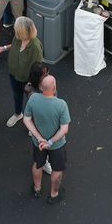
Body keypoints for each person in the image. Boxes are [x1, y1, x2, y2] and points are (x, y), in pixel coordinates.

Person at [24, 72, 72, 201]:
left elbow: (27, 119)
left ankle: (37, 188)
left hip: (38, 143)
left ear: (40, 87)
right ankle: (54, 194)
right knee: (57, 169)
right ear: (54, 88)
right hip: (56, 145)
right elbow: (64, 129)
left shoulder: (33, 99)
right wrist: (49, 142)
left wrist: (39, 138)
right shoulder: (61, 105)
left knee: (38, 164)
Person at [0, 15, 44, 128]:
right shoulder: (18, 37)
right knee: (17, 96)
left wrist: (31, 83)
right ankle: (18, 114)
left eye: (16, 29)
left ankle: (33, 122)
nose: (14, 30)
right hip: (14, 74)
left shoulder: (35, 47)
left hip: (28, 80)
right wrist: (5, 48)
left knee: (33, 102)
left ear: (22, 31)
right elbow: (14, 45)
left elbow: (37, 68)